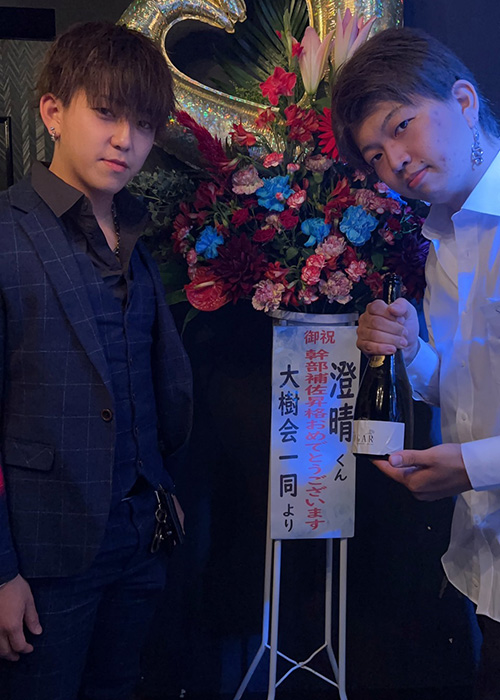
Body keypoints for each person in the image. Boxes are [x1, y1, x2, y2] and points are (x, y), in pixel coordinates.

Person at [0, 21, 192, 700]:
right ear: (53, 112)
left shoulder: (140, 236)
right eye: (106, 113)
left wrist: (160, 490)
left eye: (143, 124)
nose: (125, 140)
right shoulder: (7, 233)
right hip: (43, 553)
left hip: (142, 535)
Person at [332, 27, 500, 699]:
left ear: (464, 101)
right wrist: (411, 349)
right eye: (376, 154)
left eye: (402, 126)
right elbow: (457, 389)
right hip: (485, 563)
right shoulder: (444, 241)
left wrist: (472, 466)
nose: (395, 161)